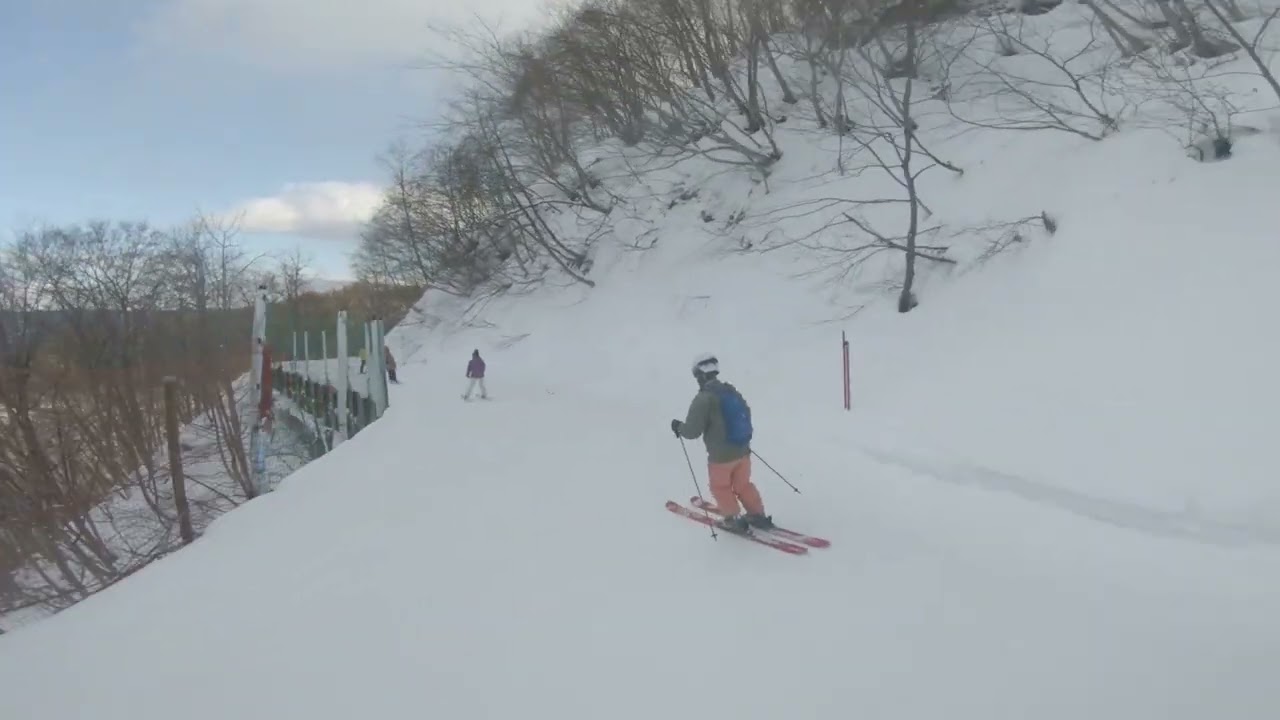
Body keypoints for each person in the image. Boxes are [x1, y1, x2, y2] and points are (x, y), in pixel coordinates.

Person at [670, 354, 774, 533]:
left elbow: (692, 431)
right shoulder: (731, 390)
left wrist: (679, 427)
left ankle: (733, 519)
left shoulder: (703, 399)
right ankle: (757, 514)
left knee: (720, 487)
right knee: (743, 485)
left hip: (721, 457)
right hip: (743, 451)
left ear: (699, 376)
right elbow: (746, 413)